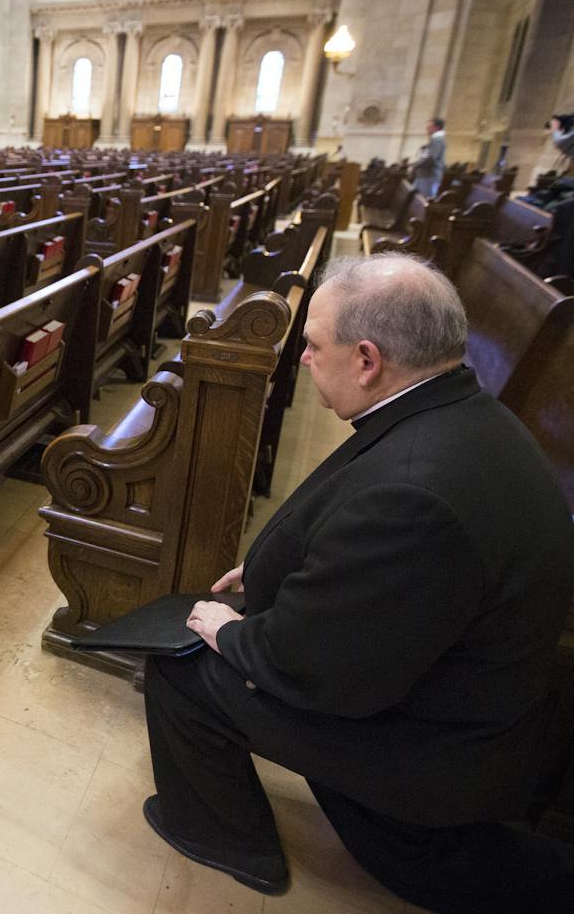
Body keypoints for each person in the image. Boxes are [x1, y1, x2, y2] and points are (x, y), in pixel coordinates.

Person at [141, 254, 574, 914]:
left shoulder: (415, 497)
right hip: (462, 692)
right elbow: (356, 542)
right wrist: (264, 578)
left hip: (434, 751)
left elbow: (313, 667)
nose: (306, 359)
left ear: (368, 359)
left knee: (182, 668)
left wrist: (232, 631)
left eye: (314, 345)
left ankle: (230, 841)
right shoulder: (452, 405)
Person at [411, 117, 446, 199]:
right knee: (419, 199)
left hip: (429, 176)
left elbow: (431, 158)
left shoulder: (437, 140)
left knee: (423, 199)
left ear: (436, 128)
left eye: (429, 127)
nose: (427, 129)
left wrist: (415, 165)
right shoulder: (436, 139)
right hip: (427, 175)